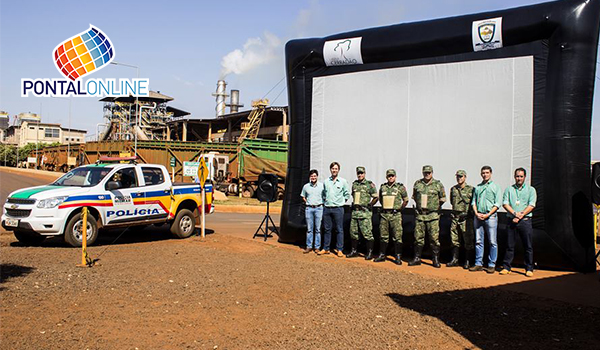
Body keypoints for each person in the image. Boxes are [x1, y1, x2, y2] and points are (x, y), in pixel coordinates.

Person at [500, 168, 537, 277]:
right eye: (517, 176)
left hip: (525, 221)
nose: (519, 178)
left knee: (528, 246)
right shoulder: (509, 189)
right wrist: (515, 214)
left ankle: (529, 268)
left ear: (525, 177)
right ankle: (507, 267)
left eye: (521, 176)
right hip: (512, 220)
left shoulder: (531, 190)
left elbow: (532, 205)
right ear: (514, 177)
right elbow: (505, 203)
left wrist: (520, 215)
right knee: (509, 245)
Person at [408, 165, 446, 268]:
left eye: (429, 172)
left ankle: (435, 259)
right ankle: (417, 258)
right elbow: (415, 197)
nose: (427, 174)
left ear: (432, 173)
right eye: (425, 172)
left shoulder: (438, 184)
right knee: (418, 238)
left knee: (434, 238)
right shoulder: (418, 184)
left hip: (433, 216)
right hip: (420, 216)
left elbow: (443, 198)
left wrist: (433, 207)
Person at [470, 165, 503, 274]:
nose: (485, 175)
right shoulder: (478, 187)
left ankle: (491, 264)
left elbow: (497, 204)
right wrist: (476, 213)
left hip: (491, 217)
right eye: (483, 173)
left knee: (492, 242)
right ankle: (478, 263)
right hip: (478, 216)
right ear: (481, 174)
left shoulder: (495, 187)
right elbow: (473, 202)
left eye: (487, 173)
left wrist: (488, 214)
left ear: (491, 173)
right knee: (478, 241)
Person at [374, 169, 409, 264]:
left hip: (395, 215)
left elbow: (405, 200)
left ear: (395, 177)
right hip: (384, 215)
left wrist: (399, 209)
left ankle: (397, 256)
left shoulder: (400, 187)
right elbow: (380, 199)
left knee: (397, 236)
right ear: (386, 177)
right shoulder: (383, 187)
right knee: (383, 236)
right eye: (389, 176)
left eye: (392, 176)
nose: (391, 177)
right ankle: (382, 255)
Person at [346, 166, 378, 260]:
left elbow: (376, 197)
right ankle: (354, 251)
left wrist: (370, 205)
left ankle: (369, 253)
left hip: (365, 213)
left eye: (361, 173)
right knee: (353, 233)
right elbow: (353, 195)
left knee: (367, 233)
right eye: (358, 173)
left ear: (365, 173)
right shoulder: (354, 184)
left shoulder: (369, 184)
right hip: (355, 212)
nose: (360, 175)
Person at [319, 162, 350, 257]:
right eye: (333, 168)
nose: (334, 170)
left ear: (338, 170)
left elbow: (347, 194)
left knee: (339, 229)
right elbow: (324, 194)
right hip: (327, 208)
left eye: (336, 169)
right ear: (330, 170)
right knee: (327, 229)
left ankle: (339, 249)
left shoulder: (343, 181)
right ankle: (326, 248)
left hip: (338, 209)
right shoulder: (326, 181)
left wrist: (340, 202)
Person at [448, 170, 475, 268]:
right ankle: (455, 259)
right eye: (457, 177)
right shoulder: (453, 189)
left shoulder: (471, 189)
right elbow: (452, 202)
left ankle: (467, 261)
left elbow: (473, 203)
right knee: (454, 240)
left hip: (466, 219)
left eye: (461, 176)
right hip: (455, 218)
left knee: (468, 240)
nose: (459, 178)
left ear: (465, 177)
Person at [301, 169, 325, 254]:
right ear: (310, 177)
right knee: (309, 229)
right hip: (309, 209)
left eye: (314, 176)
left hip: (319, 208)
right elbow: (303, 196)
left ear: (317, 176)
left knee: (318, 229)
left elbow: (325, 196)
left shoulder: (322, 186)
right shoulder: (306, 186)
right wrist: (308, 202)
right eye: (312, 176)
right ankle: (309, 246)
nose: (313, 177)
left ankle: (317, 247)